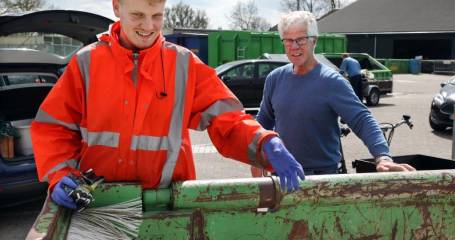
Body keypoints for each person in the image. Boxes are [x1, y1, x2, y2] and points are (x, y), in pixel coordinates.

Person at [30, 0, 304, 210]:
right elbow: (54, 127)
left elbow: (228, 119)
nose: (148, 26)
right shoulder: (87, 63)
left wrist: (264, 142)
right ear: (117, 7)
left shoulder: (183, 65)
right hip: (98, 203)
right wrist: (60, 173)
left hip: (167, 204)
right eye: (138, 15)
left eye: (157, 16)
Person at [253, 11, 415, 176]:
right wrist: (256, 156)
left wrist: (382, 157)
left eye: (301, 39)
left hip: (321, 177)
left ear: (314, 40)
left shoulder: (331, 81)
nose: (294, 46)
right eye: (288, 40)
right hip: (283, 172)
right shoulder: (275, 79)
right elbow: (263, 121)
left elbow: (361, 119)